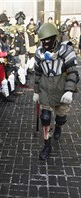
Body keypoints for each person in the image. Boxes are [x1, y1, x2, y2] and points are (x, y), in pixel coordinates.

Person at [33, 23, 79, 160]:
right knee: (45, 117)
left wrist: (69, 90)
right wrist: (36, 91)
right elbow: (37, 73)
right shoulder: (39, 53)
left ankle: (58, 126)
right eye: (43, 40)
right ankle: (47, 144)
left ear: (55, 37)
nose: (45, 42)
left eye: (48, 39)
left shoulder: (66, 50)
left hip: (61, 86)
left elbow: (73, 73)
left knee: (61, 116)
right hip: (45, 87)